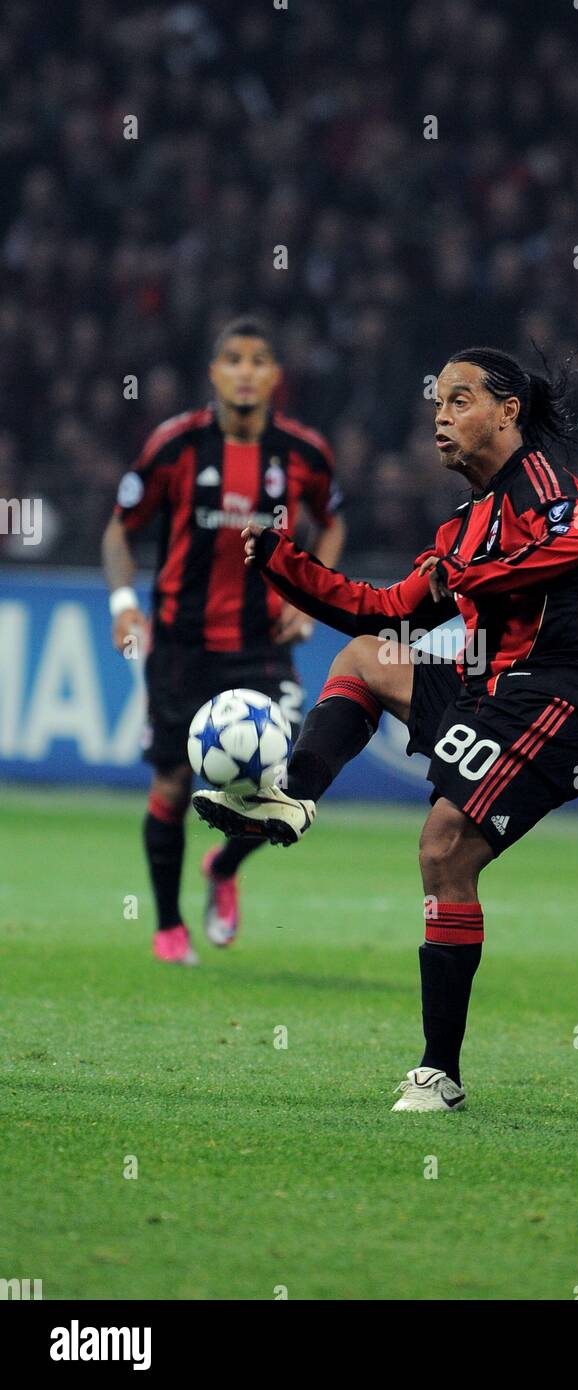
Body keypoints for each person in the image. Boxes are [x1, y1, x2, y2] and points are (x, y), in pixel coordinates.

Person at [194, 347, 578, 1107]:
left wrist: (473, 577)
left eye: (460, 400)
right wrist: (283, 565)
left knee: (442, 841)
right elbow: (385, 610)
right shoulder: (462, 526)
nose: (440, 416)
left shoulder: (543, 486)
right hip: (491, 687)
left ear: (507, 411)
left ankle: (437, 1073)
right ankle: (290, 796)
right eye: (436, 404)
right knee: (365, 657)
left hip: (565, 695)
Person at [101, 316, 346, 964]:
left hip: (261, 646)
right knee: (174, 787)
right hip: (180, 647)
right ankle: (167, 925)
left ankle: (224, 866)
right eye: (232, 359)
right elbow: (118, 530)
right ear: (213, 372)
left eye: (258, 359)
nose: (244, 370)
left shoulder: (303, 453)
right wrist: (125, 606)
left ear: (274, 376)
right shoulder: (174, 445)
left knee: (286, 785)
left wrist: (310, 593)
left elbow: (333, 521)